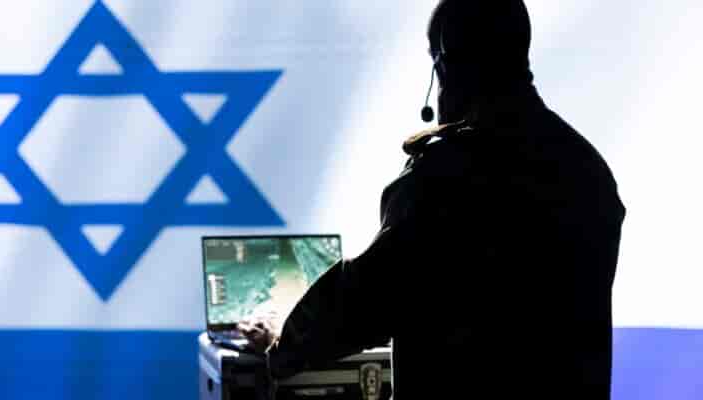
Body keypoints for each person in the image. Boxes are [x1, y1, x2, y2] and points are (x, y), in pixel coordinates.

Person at [238, 1, 626, 398]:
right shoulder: (588, 170)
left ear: (447, 62)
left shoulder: (447, 174)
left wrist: (281, 345)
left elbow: (368, 297)